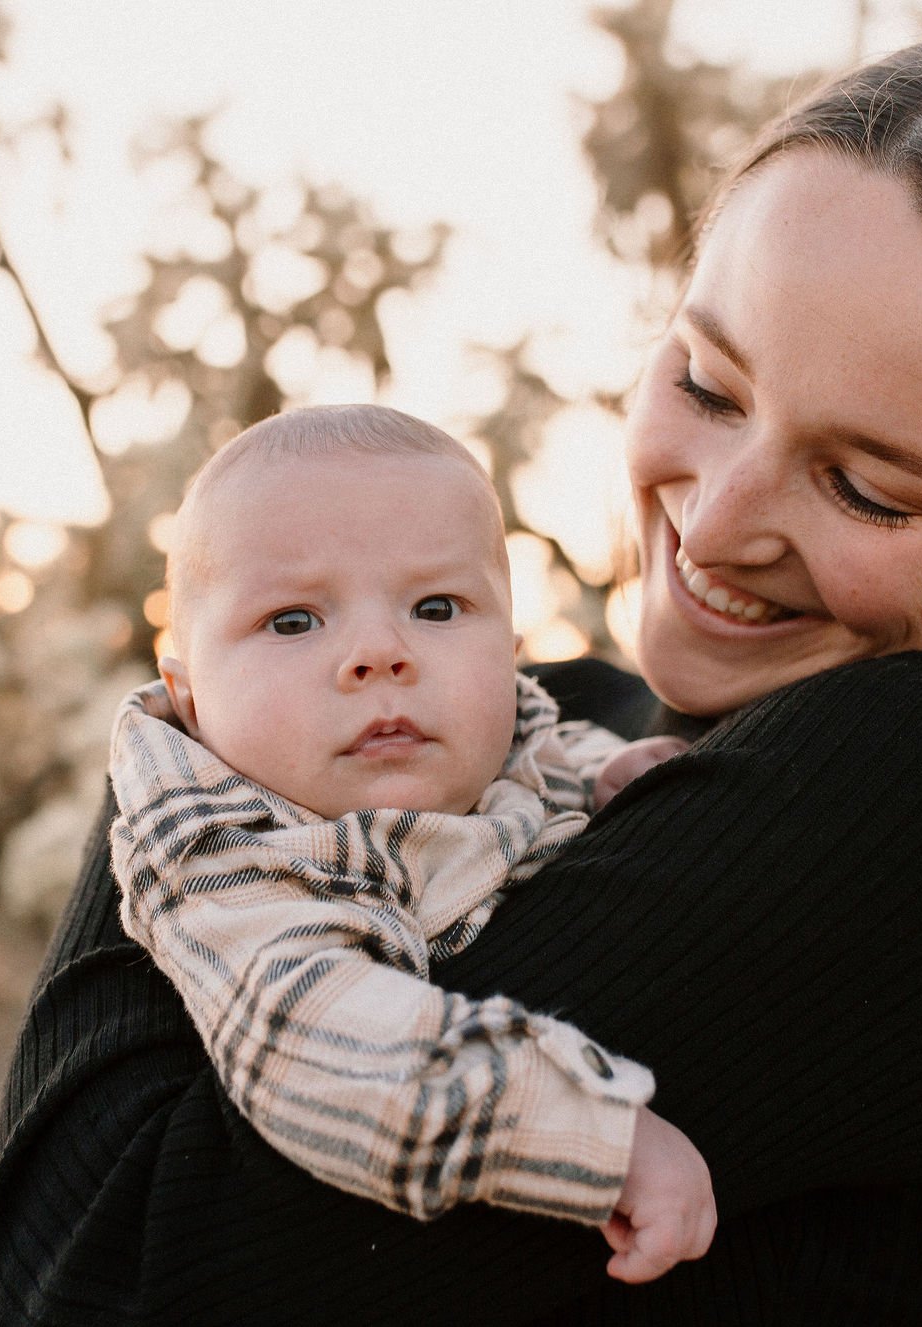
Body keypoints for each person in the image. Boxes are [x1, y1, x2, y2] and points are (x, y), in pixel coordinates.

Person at [0, 23, 922, 1327]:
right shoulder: (546, 726)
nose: (721, 518)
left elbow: (87, 1294)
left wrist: (183, 752)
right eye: (707, 382)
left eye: (867, 486)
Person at [108, 404, 711, 1276]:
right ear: (190, 695)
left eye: (436, 606)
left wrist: (609, 772)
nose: (380, 652)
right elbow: (320, 1039)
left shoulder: (503, 737)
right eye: (291, 621)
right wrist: (587, 1130)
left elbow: (530, 749)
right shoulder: (227, 860)